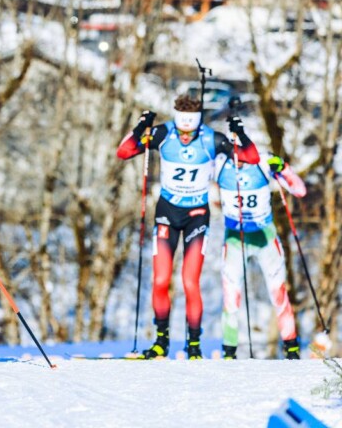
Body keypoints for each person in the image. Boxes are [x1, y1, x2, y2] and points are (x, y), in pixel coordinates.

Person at [116, 95, 260, 359]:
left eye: (189, 132)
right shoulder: (163, 134)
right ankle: (161, 341)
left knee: (190, 282)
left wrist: (240, 134)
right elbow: (124, 151)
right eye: (181, 131)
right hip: (167, 213)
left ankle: (194, 345)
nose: (184, 137)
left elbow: (251, 158)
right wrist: (140, 127)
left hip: (197, 216)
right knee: (160, 280)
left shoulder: (211, 139)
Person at [215, 152, 306, 360]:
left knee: (278, 293)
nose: (239, 159)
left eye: (244, 154)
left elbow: (300, 190)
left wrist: (283, 168)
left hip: (264, 237)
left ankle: (292, 348)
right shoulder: (220, 163)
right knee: (231, 296)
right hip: (235, 238)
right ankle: (229, 352)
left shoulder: (263, 161)